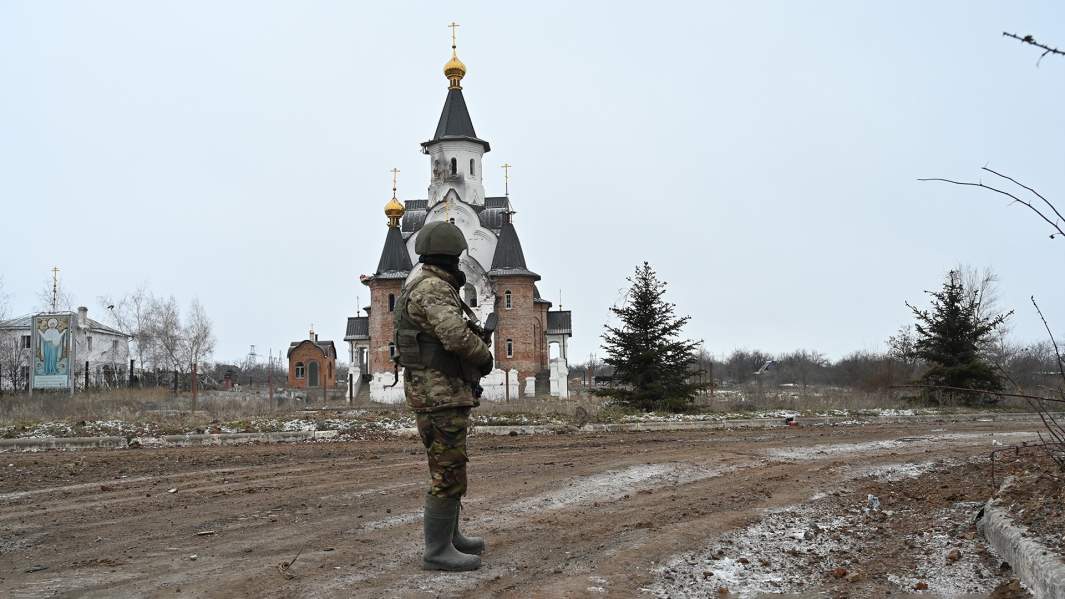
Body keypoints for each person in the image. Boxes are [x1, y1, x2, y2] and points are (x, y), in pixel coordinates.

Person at [393, 221, 493, 571]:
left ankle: (450, 537)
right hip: (439, 394)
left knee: (450, 464)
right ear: (452, 255)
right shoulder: (433, 288)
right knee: (447, 469)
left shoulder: (424, 284)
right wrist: (483, 355)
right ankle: (437, 550)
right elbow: (453, 337)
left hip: (438, 392)